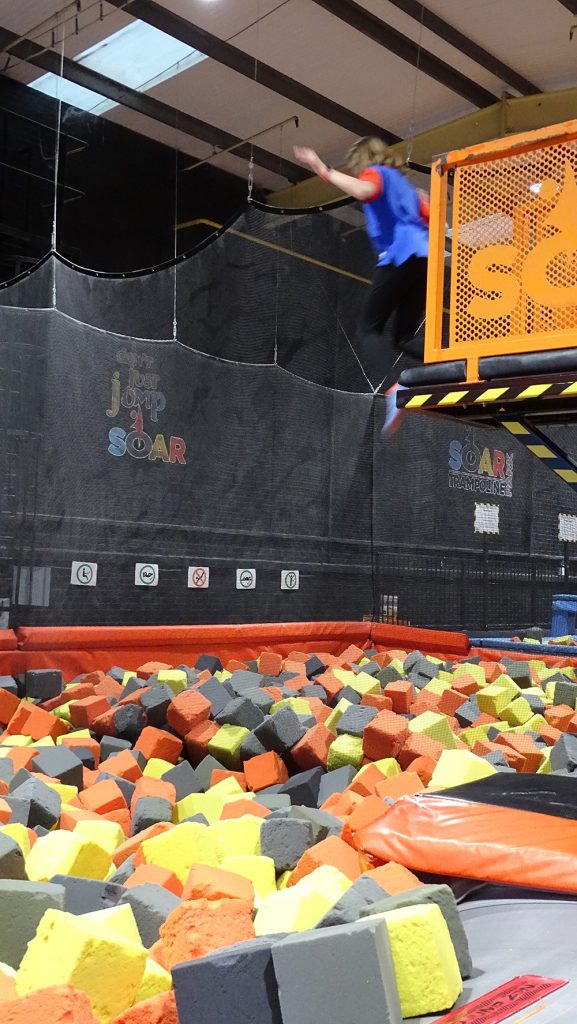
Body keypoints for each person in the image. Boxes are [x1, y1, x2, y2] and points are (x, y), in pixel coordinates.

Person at [294, 137, 429, 434]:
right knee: (405, 336)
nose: (358, 173)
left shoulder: (376, 174)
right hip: (424, 259)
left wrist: (322, 169)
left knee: (369, 329)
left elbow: (365, 190)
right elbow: (432, 219)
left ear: (366, 160)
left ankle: (398, 388)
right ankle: (456, 365)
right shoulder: (405, 186)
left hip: (399, 256)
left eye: (357, 167)